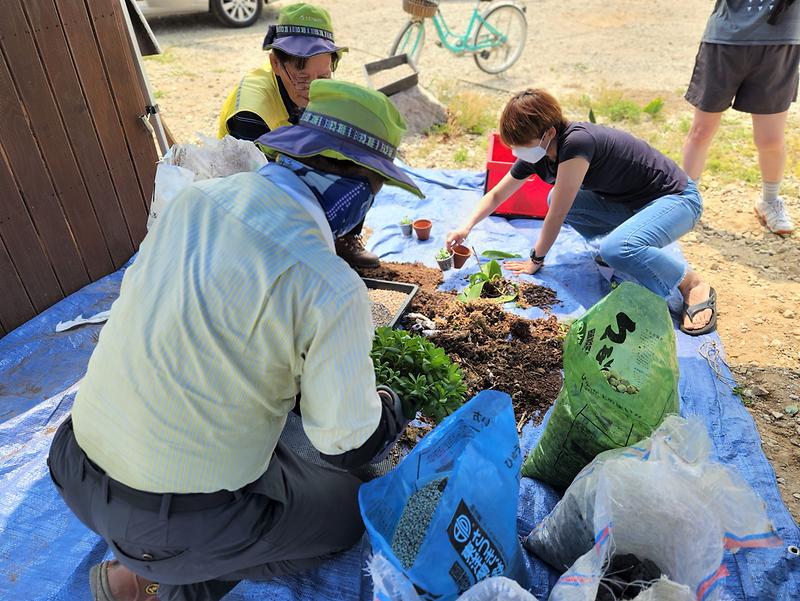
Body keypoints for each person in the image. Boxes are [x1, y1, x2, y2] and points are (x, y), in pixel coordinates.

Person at [47, 80, 424, 601]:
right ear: (358, 193)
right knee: (347, 511)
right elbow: (344, 444)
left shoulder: (193, 202)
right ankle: (155, 577)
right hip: (165, 519)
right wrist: (388, 411)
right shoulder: (330, 285)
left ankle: (134, 572)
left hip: (73, 461)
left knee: (261, 460)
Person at [447, 89, 716, 336]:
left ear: (548, 133)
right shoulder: (538, 153)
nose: (519, 152)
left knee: (614, 247)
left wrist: (535, 260)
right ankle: (627, 245)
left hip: (677, 201)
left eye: (523, 144)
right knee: (558, 199)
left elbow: (557, 215)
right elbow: (496, 194)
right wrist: (466, 226)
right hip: (633, 205)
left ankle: (691, 284)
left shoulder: (576, 143)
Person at [218, 3, 380, 267]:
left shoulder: (317, 88)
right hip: (247, 189)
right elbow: (257, 189)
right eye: (302, 73)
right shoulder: (251, 110)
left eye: (323, 75)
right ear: (276, 63)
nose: (314, 87)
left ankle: (345, 239)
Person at [682, 0, 799, 235]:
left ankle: (770, 200)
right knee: (701, 131)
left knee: (771, 140)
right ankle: (685, 202)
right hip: (725, 39)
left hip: (780, 42)